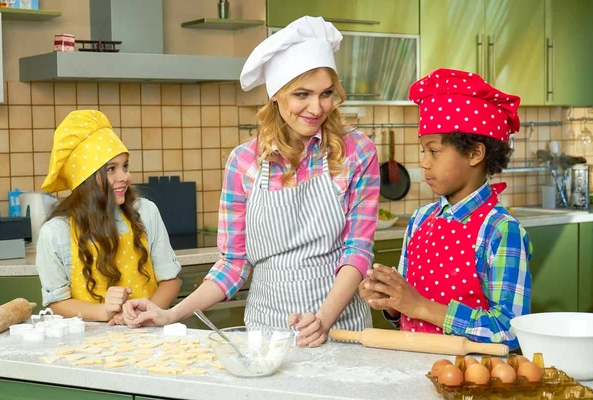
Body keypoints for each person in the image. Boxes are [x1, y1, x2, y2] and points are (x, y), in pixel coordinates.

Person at [123, 16, 380, 347]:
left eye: (327, 93)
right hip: (266, 333)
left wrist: (323, 320)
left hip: (341, 327)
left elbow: (357, 249)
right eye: (302, 94)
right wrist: (170, 313)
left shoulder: (356, 151)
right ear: (276, 95)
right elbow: (233, 264)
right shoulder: (244, 163)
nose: (317, 108)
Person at [359, 68, 532, 350]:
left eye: (434, 151)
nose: (424, 163)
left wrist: (422, 307)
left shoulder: (500, 230)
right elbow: (407, 311)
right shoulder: (419, 220)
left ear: (475, 154)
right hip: (411, 370)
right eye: (423, 151)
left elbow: (510, 331)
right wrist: (390, 300)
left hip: (470, 379)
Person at [35, 110, 181, 325]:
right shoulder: (56, 233)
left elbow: (170, 280)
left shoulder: (146, 212)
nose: (124, 177)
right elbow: (57, 303)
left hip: (148, 336)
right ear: (84, 180)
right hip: (87, 345)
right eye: (111, 169)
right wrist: (104, 311)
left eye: (125, 166)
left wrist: (145, 316)